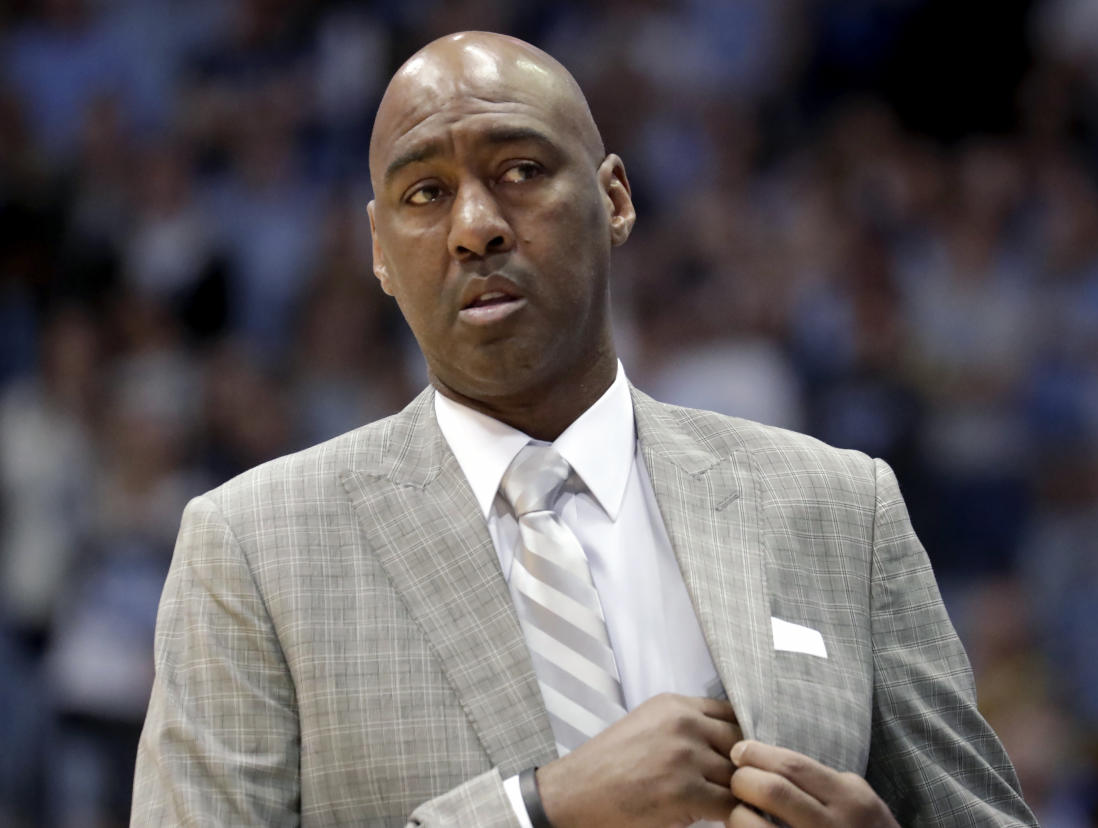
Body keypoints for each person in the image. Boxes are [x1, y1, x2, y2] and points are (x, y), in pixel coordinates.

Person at [131, 31, 1037, 828]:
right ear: (378, 251)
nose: (476, 227)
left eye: (519, 170)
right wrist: (538, 810)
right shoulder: (251, 550)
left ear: (614, 200)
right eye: (425, 194)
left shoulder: (840, 508)